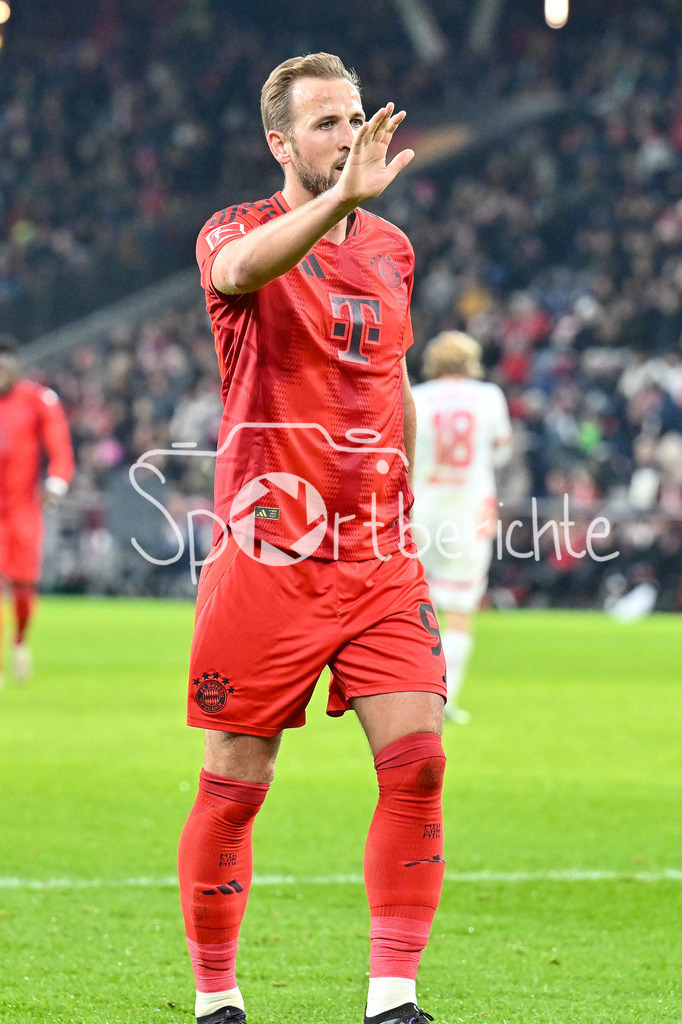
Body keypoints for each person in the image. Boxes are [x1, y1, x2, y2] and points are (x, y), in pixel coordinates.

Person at [178, 53, 447, 1024]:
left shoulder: (394, 248)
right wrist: (336, 206)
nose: (346, 136)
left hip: (377, 553)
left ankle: (392, 997)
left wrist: (405, 499)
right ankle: (217, 998)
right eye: (325, 124)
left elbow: (394, 381)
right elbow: (245, 272)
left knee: (417, 761)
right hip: (268, 553)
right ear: (279, 144)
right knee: (236, 782)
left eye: (353, 117)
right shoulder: (236, 230)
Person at [411, 331, 512, 722]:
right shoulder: (489, 397)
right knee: (461, 607)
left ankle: (408, 691)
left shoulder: (418, 395)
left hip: (421, 509)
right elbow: (501, 451)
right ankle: (446, 699)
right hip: (470, 510)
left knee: (415, 602)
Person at [0, 337, 75, 686]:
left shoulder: (38, 400)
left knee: (23, 588)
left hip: (23, 508)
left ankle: (19, 641)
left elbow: (58, 443)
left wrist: (57, 482)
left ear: (15, 367)